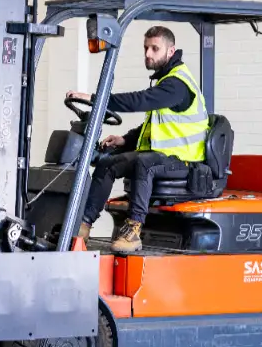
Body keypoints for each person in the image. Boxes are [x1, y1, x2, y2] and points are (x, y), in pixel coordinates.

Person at [66, 25, 209, 252]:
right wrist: (124, 140)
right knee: (106, 163)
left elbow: (138, 101)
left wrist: (97, 99)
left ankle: (133, 231)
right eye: (146, 48)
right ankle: (83, 225)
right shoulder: (166, 81)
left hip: (184, 161)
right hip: (164, 157)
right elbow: (153, 126)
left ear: (171, 51)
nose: (148, 54)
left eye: (155, 48)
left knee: (145, 163)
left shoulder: (177, 84)